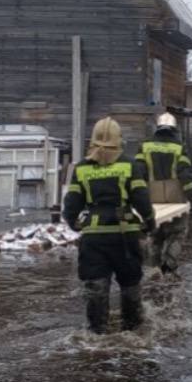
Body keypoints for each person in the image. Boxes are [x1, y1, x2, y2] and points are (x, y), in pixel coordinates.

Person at [63, 117, 155, 333]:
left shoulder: (82, 168)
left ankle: (97, 334)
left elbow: (71, 204)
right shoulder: (129, 164)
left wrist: (73, 222)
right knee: (130, 285)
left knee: (96, 286)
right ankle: (132, 330)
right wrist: (149, 222)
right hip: (125, 236)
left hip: (94, 237)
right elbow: (141, 198)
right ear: (118, 140)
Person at [135, 113, 192, 273]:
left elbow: (138, 171)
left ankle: (153, 266)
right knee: (177, 232)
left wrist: (136, 196)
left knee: (155, 234)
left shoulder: (145, 146)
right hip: (175, 197)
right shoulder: (179, 147)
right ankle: (169, 265)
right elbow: (185, 174)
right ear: (174, 128)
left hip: (152, 196)